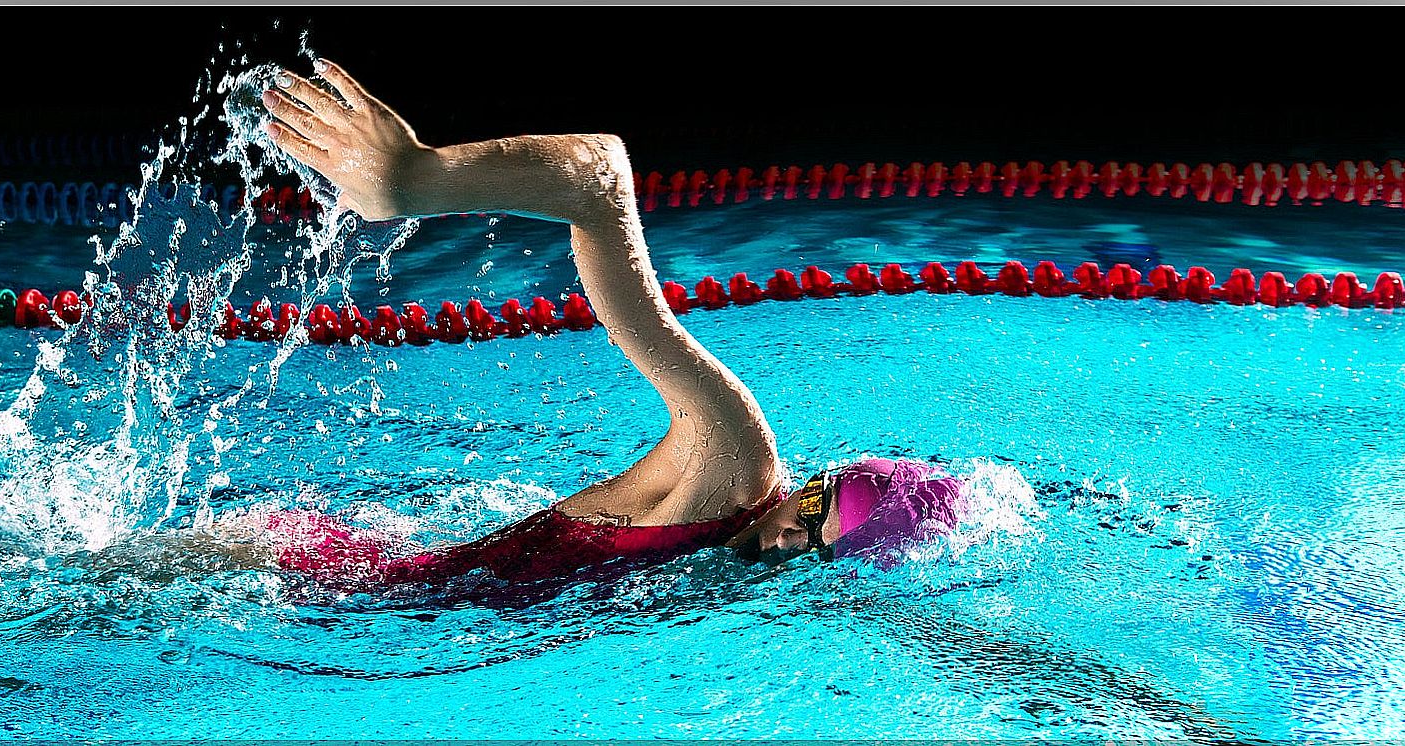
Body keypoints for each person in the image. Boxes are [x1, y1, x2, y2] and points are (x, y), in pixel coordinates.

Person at [253, 59, 964, 599]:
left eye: (817, 548)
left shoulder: (730, 567)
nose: (787, 538)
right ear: (813, 481)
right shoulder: (736, 461)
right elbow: (600, 181)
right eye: (812, 508)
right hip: (335, 579)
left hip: (389, 604)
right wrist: (418, 180)